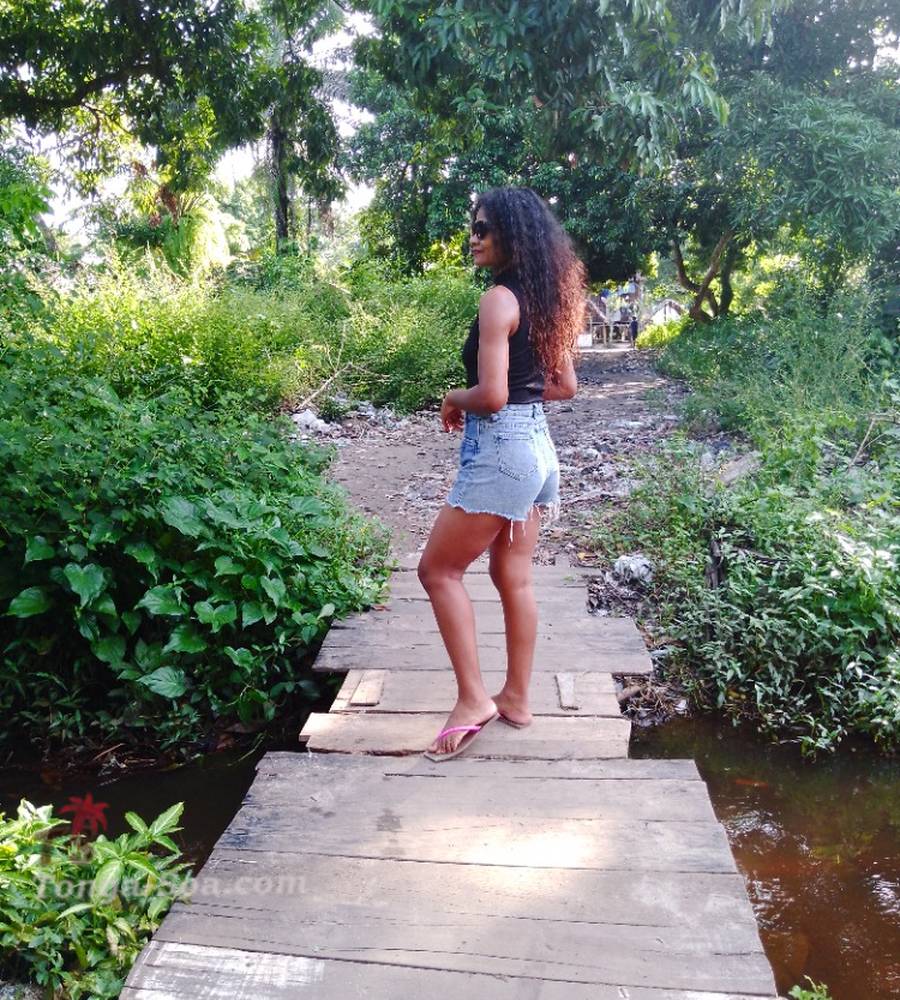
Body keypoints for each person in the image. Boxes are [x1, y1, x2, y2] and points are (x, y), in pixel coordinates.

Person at [417, 187, 586, 761]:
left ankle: (473, 700)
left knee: (438, 570)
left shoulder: (498, 300)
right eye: (474, 226)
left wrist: (452, 396)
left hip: (504, 447)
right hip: (539, 448)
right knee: (513, 574)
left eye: (484, 228)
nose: (474, 237)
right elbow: (564, 387)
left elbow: (490, 396)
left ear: (512, 235)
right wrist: (517, 396)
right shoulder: (548, 300)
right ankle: (515, 697)